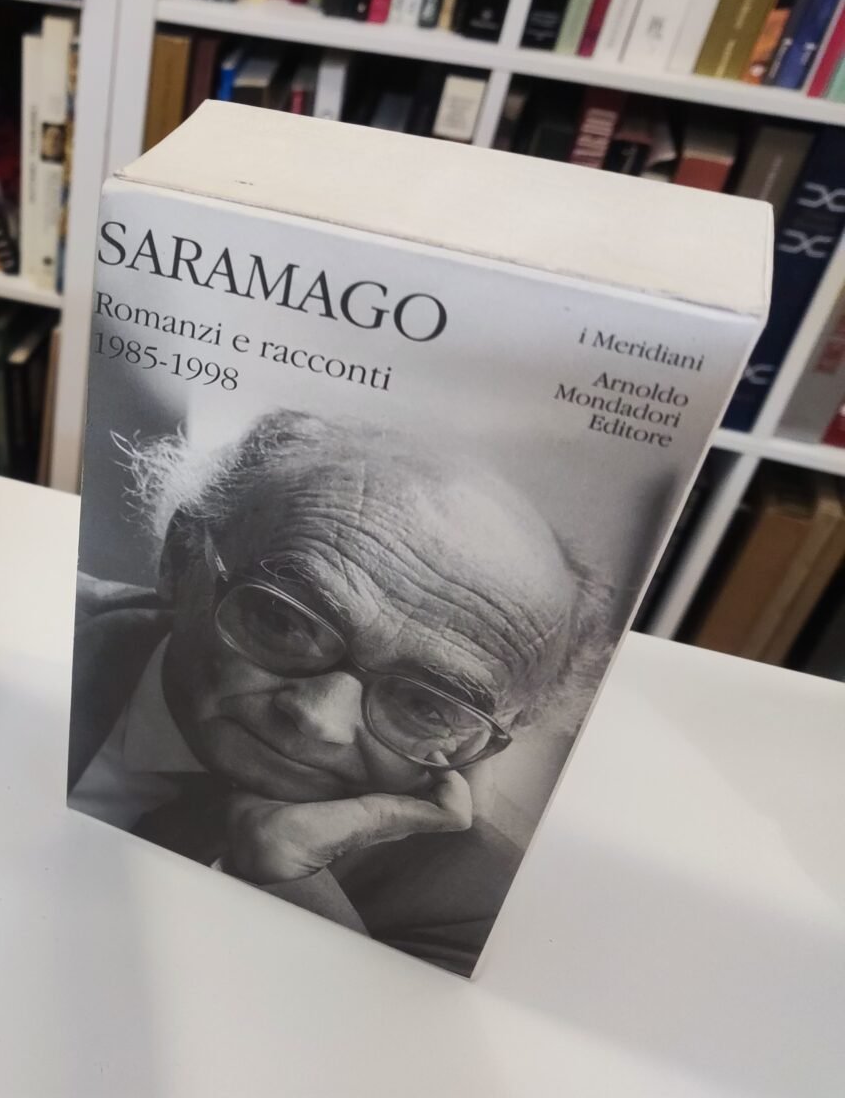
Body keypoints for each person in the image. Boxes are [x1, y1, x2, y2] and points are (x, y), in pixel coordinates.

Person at [68, 409, 615, 975]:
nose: (318, 720)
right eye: (284, 621)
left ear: (488, 739)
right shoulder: (36, 622)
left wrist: (283, 881)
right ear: (180, 559)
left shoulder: (485, 914)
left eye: (425, 705)